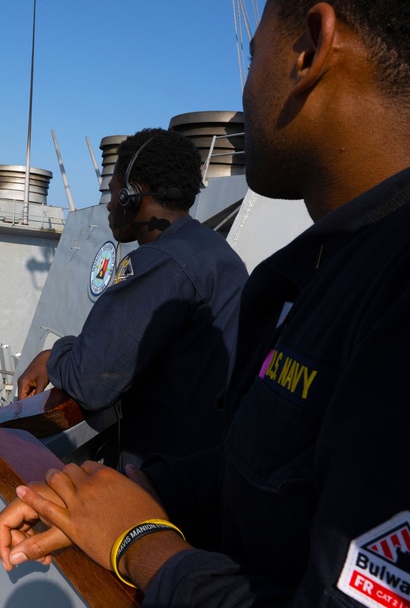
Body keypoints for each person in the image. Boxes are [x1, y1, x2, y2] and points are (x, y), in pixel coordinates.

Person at [0, 0, 410, 606]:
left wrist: (139, 540)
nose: (244, 86)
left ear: (310, 49)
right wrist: (143, 490)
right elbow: (264, 472)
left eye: (254, 52)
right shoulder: (350, 259)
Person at [16, 127, 247, 464]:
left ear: (132, 195)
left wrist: (53, 358)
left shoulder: (160, 264)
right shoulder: (214, 251)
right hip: (209, 464)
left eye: (113, 192)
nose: (110, 205)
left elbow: (91, 380)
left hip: (164, 480)